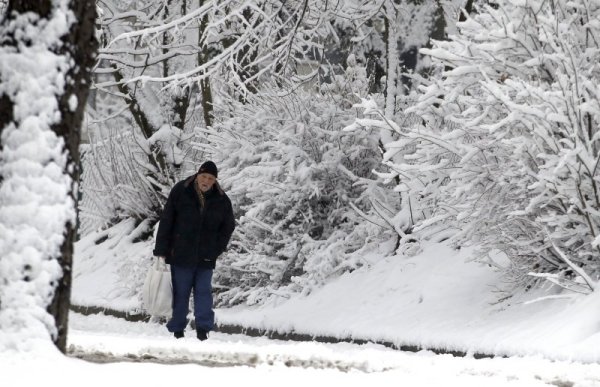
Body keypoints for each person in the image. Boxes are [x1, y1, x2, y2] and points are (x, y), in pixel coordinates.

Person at [153, 161, 235, 340]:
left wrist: (217, 248)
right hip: (180, 253)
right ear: (197, 175)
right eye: (204, 176)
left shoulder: (221, 199)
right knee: (180, 293)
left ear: (215, 181)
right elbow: (167, 219)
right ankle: (177, 329)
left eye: (211, 178)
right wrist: (162, 249)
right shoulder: (180, 191)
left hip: (206, 256)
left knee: (203, 292)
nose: (206, 180)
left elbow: (228, 226)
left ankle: (203, 329)